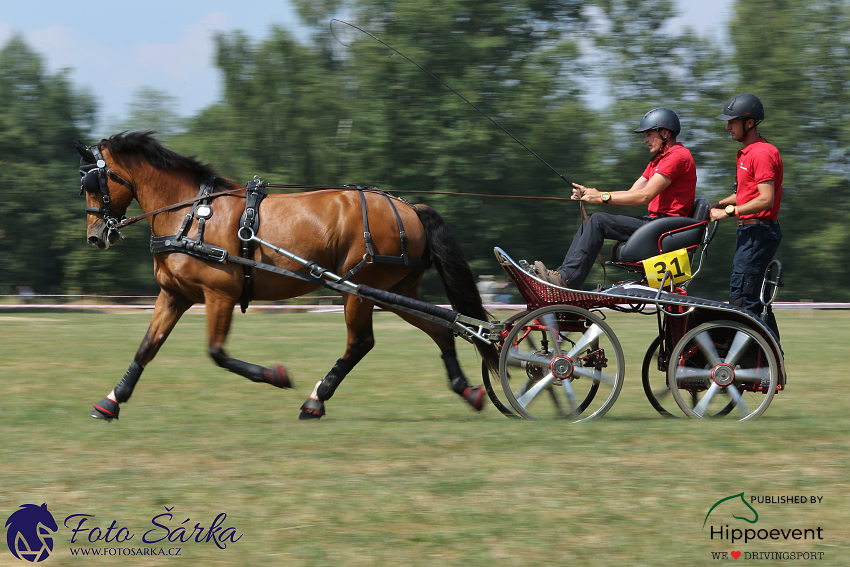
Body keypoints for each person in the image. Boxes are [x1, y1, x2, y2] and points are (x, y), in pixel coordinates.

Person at [533, 108, 697, 289]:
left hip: (665, 230)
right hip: (656, 225)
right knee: (593, 220)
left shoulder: (677, 157)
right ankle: (562, 276)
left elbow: (644, 196)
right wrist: (591, 193)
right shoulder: (659, 160)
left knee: (598, 221)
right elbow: (632, 192)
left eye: (649, 134)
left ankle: (565, 281)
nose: (645, 140)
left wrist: (601, 197)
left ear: (664, 133)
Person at [709, 93, 782, 341]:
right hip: (751, 232)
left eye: (732, 121)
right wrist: (715, 205)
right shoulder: (747, 153)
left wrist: (727, 212)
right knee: (753, 300)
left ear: (749, 123)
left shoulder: (761, 153)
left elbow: (765, 199)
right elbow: (744, 194)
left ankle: (761, 364)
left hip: (758, 233)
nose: (727, 126)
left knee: (742, 298)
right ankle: (771, 363)